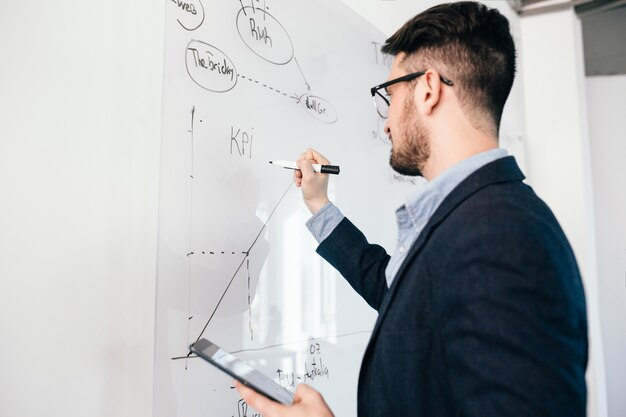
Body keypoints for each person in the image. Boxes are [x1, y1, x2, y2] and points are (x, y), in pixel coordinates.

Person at [236, 2, 588, 416]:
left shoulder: (501, 238)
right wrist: (319, 205)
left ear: (427, 89)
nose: (385, 123)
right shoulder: (479, 217)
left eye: (389, 96)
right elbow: (396, 292)